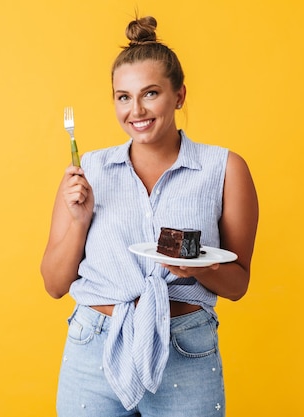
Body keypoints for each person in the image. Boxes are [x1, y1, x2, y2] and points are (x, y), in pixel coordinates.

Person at [40, 15, 258, 417]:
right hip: (95, 348)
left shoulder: (224, 169)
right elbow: (54, 284)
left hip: (185, 348)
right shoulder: (88, 171)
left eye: (150, 93)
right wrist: (78, 220)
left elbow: (238, 283)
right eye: (123, 97)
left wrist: (197, 269)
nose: (135, 110)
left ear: (179, 95)